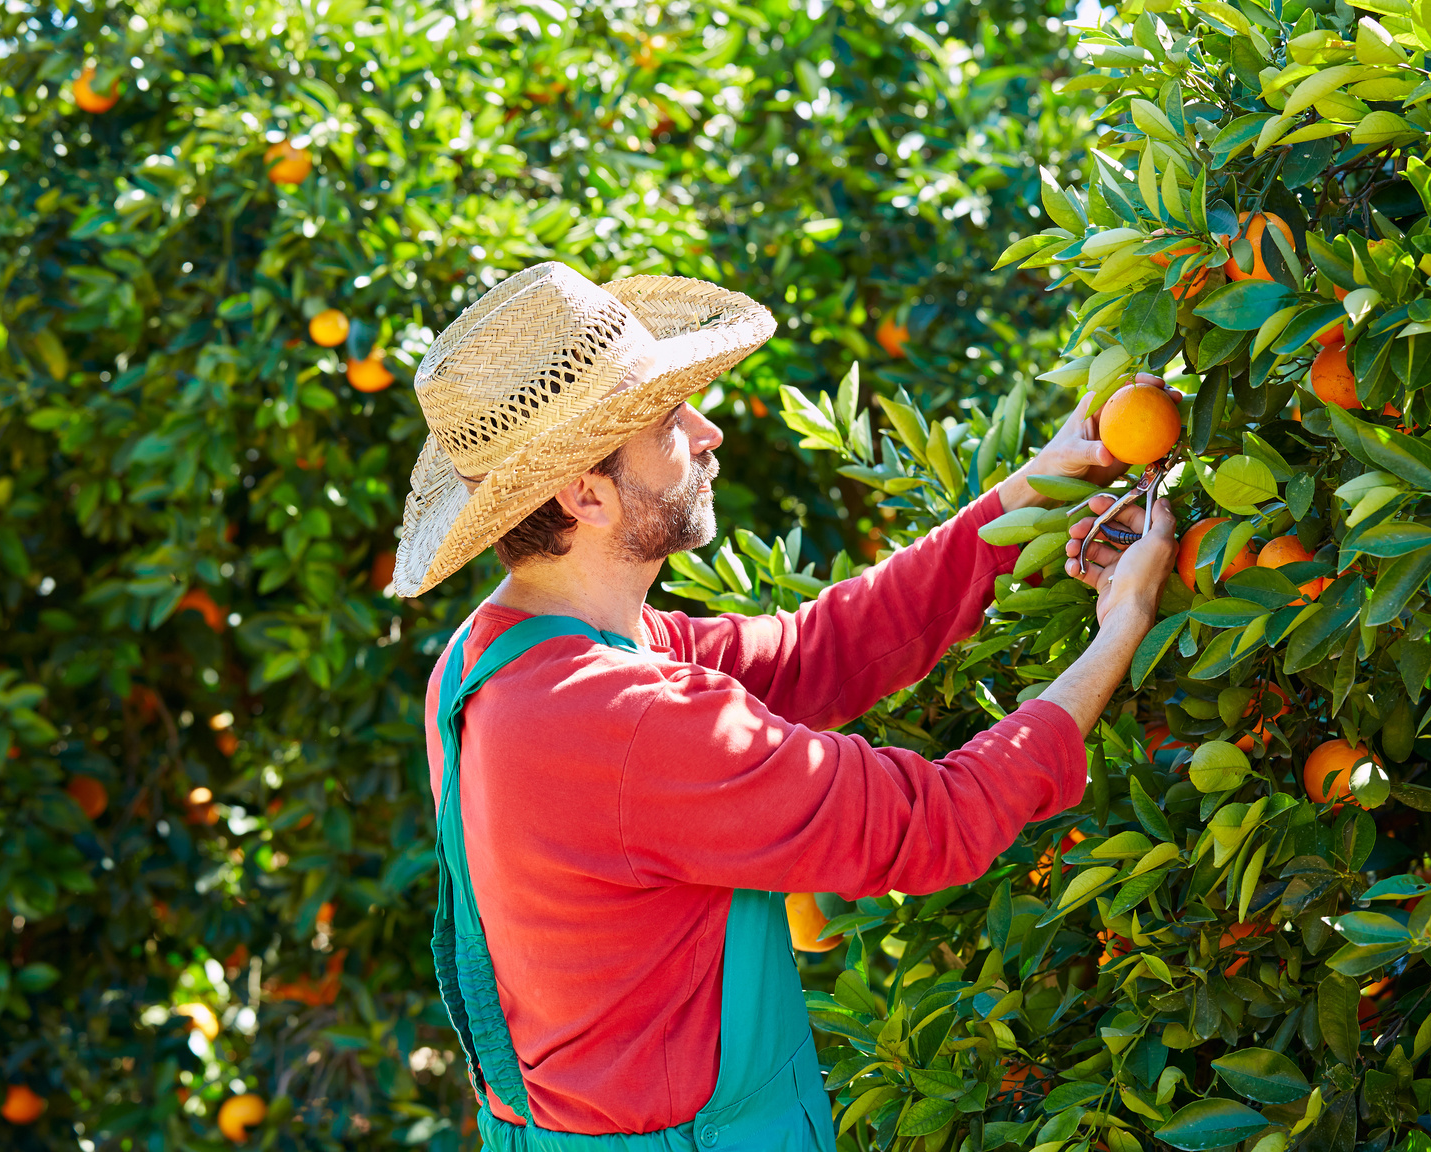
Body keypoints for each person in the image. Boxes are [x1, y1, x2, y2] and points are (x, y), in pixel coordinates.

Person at [391, 262, 1177, 1151]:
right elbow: (936, 821)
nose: (709, 428)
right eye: (669, 420)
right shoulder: (627, 720)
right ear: (586, 493)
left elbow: (814, 652)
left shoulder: (498, 653)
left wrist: (1026, 493)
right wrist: (1121, 629)